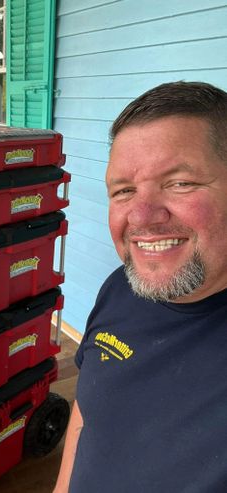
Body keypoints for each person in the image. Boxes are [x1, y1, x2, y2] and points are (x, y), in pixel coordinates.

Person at [53, 81, 227, 493]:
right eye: (124, 191)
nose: (142, 216)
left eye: (179, 182)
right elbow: (87, 416)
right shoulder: (121, 288)